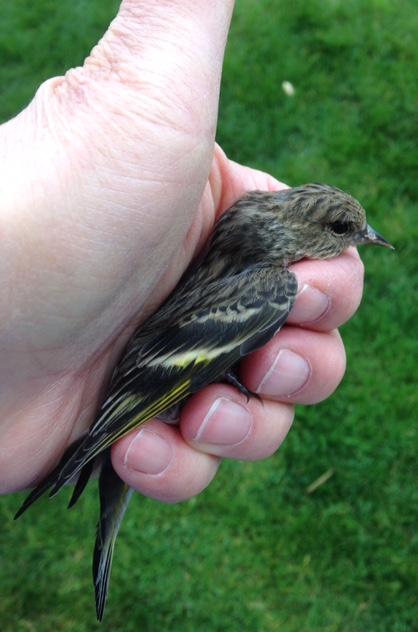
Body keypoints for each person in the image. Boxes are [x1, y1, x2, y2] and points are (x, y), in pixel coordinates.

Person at [0, 1, 364, 503]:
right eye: (347, 230)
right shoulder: (271, 286)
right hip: (126, 391)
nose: (359, 240)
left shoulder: (248, 214)